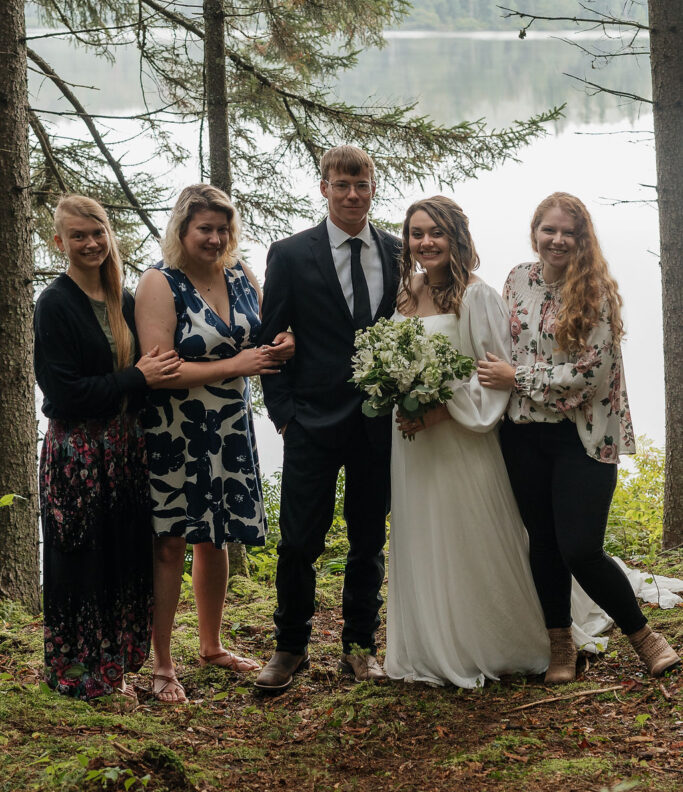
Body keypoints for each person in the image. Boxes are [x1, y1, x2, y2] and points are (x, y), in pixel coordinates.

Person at [385, 195, 602, 687]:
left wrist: (441, 410)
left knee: (469, 537)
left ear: (456, 237)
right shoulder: (405, 293)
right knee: (424, 533)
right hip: (415, 445)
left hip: (462, 437)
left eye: (436, 233)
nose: (426, 243)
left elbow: (494, 378)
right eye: (417, 233)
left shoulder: (478, 296)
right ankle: (429, 642)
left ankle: (497, 639)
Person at [478, 192, 680, 682]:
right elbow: (500, 346)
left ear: (583, 239)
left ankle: (644, 637)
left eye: (569, 232)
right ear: (535, 231)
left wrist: (519, 379)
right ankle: (560, 645)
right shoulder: (517, 279)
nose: (558, 239)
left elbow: (590, 376)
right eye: (549, 229)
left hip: (583, 439)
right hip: (522, 436)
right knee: (542, 543)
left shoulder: (596, 294)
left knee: (581, 547)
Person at [135, 184, 294, 703]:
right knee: (172, 540)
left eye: (223, 228)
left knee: (216, 536)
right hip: (175, 427)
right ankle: (161, 665)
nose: (215, 237)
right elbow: (158, 370)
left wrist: (284, 342)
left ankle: (211, 645)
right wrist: (236, 365)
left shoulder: (240, 273)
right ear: (182, 229)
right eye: (205, 228)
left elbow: (270, 331)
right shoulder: (160, 282)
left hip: (228, 425)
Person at [255, 146, 401, 690]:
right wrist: (284, 415)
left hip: (377, 426)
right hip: (311, 423)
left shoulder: (395, 249)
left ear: (372, 187)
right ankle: (290, 647)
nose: (352, 195)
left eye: (362, 184)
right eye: (342, 184)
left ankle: (359, 646)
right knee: (298, 542)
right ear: (324, 188)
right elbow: (271, 339)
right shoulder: (292, 254)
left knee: (368, 541)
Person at [35, 194, 181, 703]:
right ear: (60, 242)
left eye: (98, 232)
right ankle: (77, 673)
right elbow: (63, 394)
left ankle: (116, 665)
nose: (91, 243)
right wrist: (135, 376)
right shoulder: (54, 303)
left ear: (109, 233)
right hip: (77, 454)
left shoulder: (124, 297)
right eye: (78, 236)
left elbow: (150, 374)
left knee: (124, 557)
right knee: (82, 560)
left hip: (124, 449)